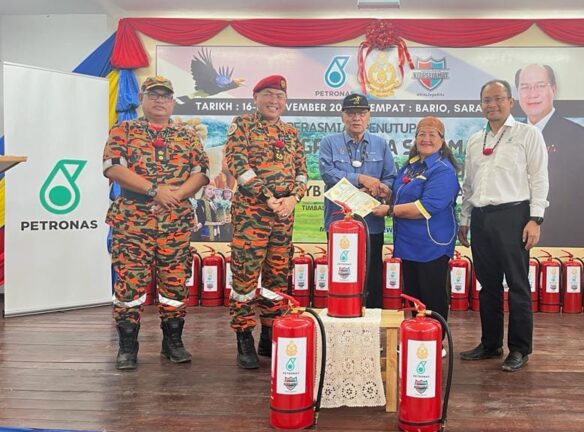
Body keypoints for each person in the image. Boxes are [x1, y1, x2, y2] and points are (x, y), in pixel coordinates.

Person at [103, 76, 210, 370]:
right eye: (154, 95)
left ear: (172, 101)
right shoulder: (123, 130)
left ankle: (172, 342)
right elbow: (112, 168)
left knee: (175, 283)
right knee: (130, 284)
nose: (160, 100)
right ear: (142, 98)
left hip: (175, 221)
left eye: (165, 96)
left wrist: (174, 196)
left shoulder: (187, 135)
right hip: (133, 221)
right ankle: (127, 346)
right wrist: (154, 191)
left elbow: (201, 173)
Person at [458, 79, 549, 372]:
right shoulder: (475, 139)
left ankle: (520, 349)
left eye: (498, 98)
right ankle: (490, 343)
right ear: (481, 105)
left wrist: (535, 219)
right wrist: (465, 218)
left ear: (511, 101)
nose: (492, 105)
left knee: (518, 285)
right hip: (481, 218)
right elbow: (469, 184)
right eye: (487, 100)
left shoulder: (527, 134)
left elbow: (539, 178)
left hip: (514, 216)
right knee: (488, 286)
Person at [225, 74, 308, 369]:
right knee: (245, 278)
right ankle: (244, 337)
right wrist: (268, 196)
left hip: (283, 218)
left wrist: (294, 198)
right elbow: (238, 164)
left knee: (277, 277)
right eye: (269, 95)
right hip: (252, 215)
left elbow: (302, 171)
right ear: (256, 97)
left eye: (280, 96)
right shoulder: (243, 125)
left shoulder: (291, 132)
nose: (275, 101)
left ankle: (269, 334)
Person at [372, 117, 459, 356]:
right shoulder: (412, 166)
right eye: (422, 134)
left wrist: (389, 210)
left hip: (432, 243)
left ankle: (435, 341)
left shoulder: (443, 170)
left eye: (432, 134)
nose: (426, 139)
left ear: (442, 140)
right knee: (413, 294)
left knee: (433, 294)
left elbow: (426, 207)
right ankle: (417, 336)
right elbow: (403, 195)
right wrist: (388, 193)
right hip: (409, 243)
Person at [319, 93, 397, 308]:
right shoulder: (329, 143)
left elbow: (390, 177)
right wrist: (362, 179)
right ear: (343, 116)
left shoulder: (381, 144)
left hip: (371, 221)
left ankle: (372, 315)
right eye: (351, 113)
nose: (356, 118)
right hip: (339, 222)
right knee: (342, 269)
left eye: (361, 113)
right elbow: (328, 174)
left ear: (368, 116)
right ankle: (342, 311)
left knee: (372, 271)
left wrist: (378, 189)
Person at [515, 64, 584, 247]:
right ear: (517, 93)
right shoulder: (510, 135)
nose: (532, 94)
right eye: (525, 87)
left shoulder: (576, 135)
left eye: (540, 86)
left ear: (553, 89)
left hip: (556, 241)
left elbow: (577, 199)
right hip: (512, 238)